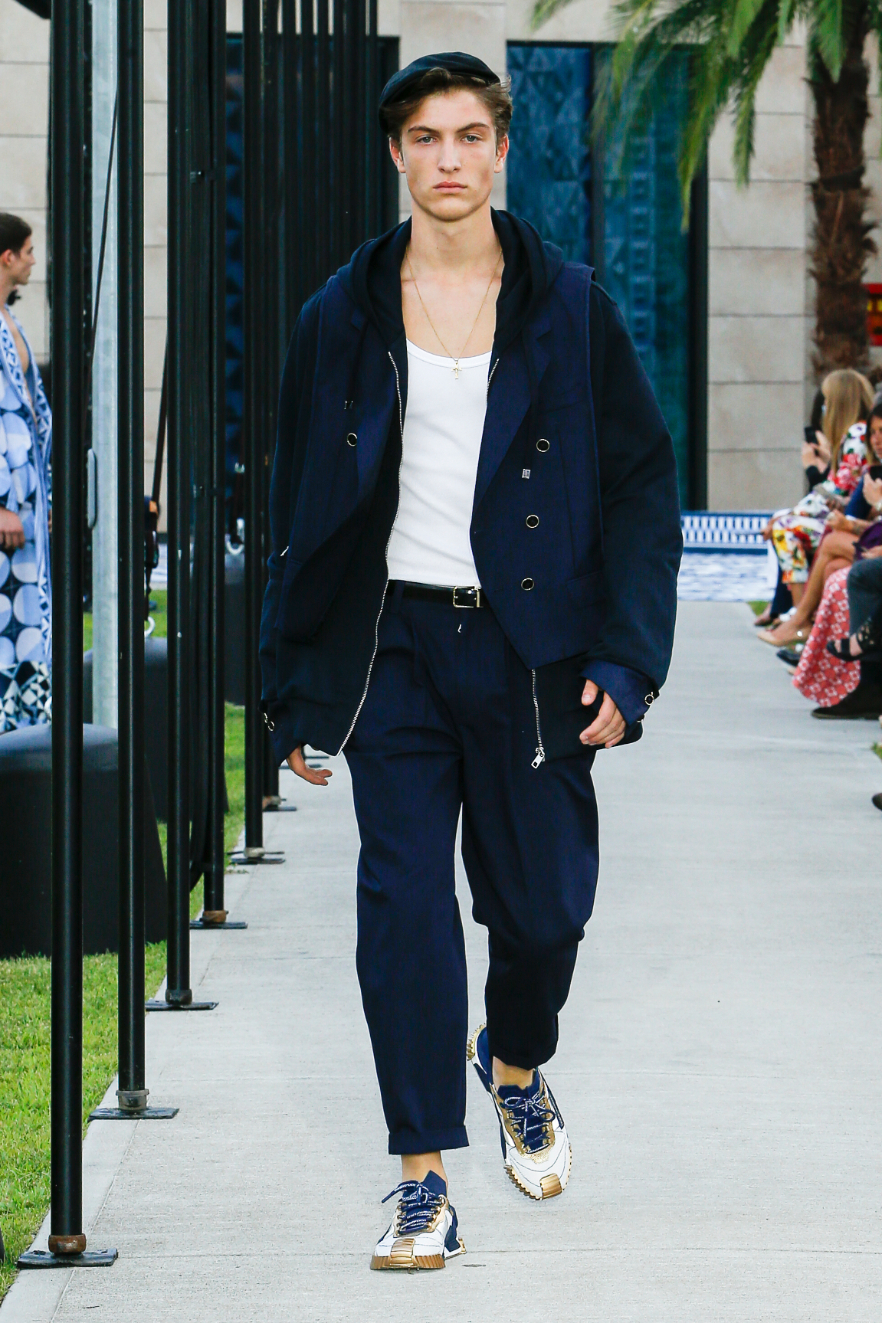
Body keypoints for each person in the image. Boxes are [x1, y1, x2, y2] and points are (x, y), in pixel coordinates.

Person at [260, 52, 681, 1270]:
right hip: (392, 645)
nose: (447, 159)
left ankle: (515, 1059)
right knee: (402, 902)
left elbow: (643, 488)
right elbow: (301, 506)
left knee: (544, 911)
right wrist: (293, 681)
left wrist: (629, 660)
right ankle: (422, 1178)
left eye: (468, 136)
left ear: (501, 148)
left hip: (532, 648)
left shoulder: (572, 307)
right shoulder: (341, 315)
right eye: (424, 138)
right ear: (397, 154)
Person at [757, 407, 882, 647]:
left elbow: (838, 493)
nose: (876, 439)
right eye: (873, 432)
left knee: (799, 533)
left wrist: (813, 469)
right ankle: (821, 648)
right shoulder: (867, 461)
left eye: (881, 431)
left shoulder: (856, 436)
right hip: (863, 535)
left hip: (865, 539)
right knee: (833, 567)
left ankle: (800, 621)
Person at [0, 212, 52, 730]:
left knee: (29, 623)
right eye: (29, 251)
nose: (35, 261)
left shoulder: (9, 321)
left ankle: (26, 731)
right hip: (8, 510)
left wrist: (43, 500)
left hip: (27, 504)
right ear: (7, 256)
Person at [761, 369, 874, 605]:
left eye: (826, 401)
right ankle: (790, 609)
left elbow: (836, 490)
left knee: (784, 527)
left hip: (848, 520)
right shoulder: (858, 434)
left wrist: (790, 513)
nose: (823, 408)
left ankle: (799, 610)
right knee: (785, 522)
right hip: (844, 516)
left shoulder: (856, 434)